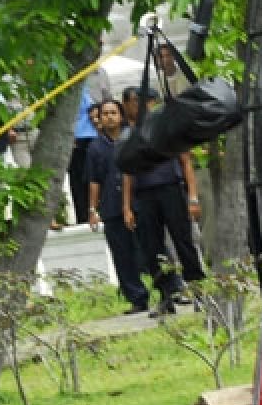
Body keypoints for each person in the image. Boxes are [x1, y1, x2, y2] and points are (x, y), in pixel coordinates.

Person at [123, 148, 205, 317]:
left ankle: (198, 291)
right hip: (144, 194)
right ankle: (165, 296)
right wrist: (126, 206)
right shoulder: (129, 136)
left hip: (171, 188)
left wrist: (193, 197)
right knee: (152, 248)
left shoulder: (167, 124)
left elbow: (186, 160)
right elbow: (127, 172)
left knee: (183, 242)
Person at [86, 100, 148, 314]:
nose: (110, 117)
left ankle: (170, 289)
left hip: (141, 201)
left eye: (113, 112)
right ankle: (137, 297)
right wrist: (93, 210)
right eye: (105, 114)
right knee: (122, 254)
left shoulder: (133, 136)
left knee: (152, 246)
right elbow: (94, 180)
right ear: (99, 119)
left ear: (121, 115)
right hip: (112, 205)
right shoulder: (95, 146)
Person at [67, 84, 98, 225]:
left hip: (91, 136)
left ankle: (94, 214)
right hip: (76, 139)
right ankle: (84, 218)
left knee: (93, 178)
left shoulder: (82, 81)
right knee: (79, 183)